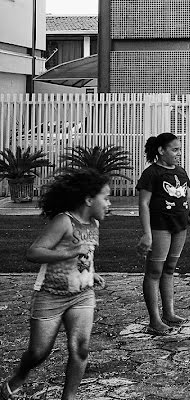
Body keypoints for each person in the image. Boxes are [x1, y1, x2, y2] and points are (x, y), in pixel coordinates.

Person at [1, 170, 111, 400]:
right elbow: (33, 253)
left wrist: (92, 274)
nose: (109, 203)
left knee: (81, 348)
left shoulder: (94, 224)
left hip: (82, 294)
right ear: (89, 200)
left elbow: (84, 257)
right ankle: (19, 376)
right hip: (51, 295)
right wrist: (71, 251)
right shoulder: (64, 221)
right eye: (106, 197)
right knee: (39, 352)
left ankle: (68, 398)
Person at [136, 133, 190, 336]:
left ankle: (169, 314)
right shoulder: (151, 173)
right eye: (174, 150)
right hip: (159, 227)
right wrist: (147, 234)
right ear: (161, 151)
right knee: (154, 271)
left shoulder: (181, 172)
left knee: (170, 269)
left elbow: (189, 200)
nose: (179, 153)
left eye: (179, 149)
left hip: (179, 227)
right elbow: (144, 204)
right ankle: (154, 321)